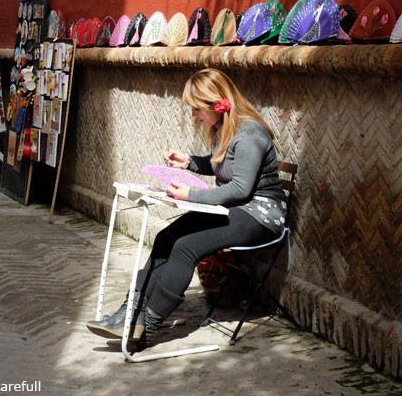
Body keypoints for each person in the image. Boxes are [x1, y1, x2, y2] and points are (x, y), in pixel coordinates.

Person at [86, 68, 287, 345]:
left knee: (186, 247)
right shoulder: (224, 127)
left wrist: (189, 194)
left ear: (217, 103)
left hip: (261, 215)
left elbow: (239, 187)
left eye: (196, 108)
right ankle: (128, 313)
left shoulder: (250, 133)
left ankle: (148, 324)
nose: (193, 115)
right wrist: (190, 162)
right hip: (235, 208)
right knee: (167, 237)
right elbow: (224, 165)